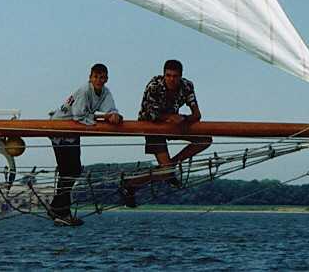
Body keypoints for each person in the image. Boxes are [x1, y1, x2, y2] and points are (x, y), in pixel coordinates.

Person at [120, 59, 212, 207]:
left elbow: (197, 114)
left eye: (175, 76)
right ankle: (130, 183)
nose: (171, 79)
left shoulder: (187, 86)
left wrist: (183, 118)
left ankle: (171, 167)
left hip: (173, 125)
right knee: (166, 170)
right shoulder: (154, 86)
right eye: (168, 75)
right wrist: (170, 117)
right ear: (163, 75)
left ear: (181, 76)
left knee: (205, 139)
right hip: (152, 127)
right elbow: (150, 113)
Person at [48, 63, 122, 226]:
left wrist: (113, 115)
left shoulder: (105, 92)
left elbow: (110, 108)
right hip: (61, 128)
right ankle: (58, 209)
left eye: (102, 77)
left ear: (106, 79)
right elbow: (78, 115)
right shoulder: (83, 91)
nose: (99, 80)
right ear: (90, 78)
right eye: (96, 77)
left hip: (74, 131)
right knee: (69, 171)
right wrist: (103, 119)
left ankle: (59, 209)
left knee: (72, 171)